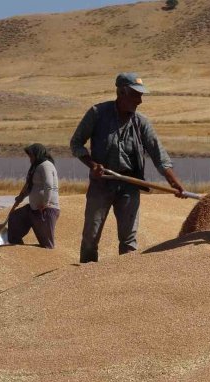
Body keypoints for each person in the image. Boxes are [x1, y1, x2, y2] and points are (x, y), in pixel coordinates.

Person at [70, 72, 188, 263]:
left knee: (129, 242)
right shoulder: (97, 114)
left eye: (141, 95)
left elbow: (160, 156)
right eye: (136, 95)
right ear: (122, 92)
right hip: (102, 184)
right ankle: (86, 280)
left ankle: (127, 284)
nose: (140, 101)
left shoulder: (141, 123)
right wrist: (92, 165)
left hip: (129, 186)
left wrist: (174, 182)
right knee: (91, 238)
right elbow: (76, 144)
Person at [8, 143, 61, 249]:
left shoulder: (46, 165)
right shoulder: (35, 167)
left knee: (47, 245)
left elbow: (49, 185)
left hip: (45, 211)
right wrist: (21, 197)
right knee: (14, 218)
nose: (30, 159)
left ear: (38, 154)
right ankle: (15, 246)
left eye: (31, 156)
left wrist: (45, 204)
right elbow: (30, 186)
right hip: (33, 209)